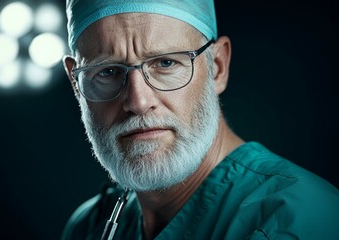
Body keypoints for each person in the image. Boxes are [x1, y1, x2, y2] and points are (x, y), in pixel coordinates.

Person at [61, 0, 339, 239]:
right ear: (76, 84)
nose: (138, 102)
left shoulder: (300, 221)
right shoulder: (88, 226)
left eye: (166, 63)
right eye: (108, 71)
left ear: (217, 67)